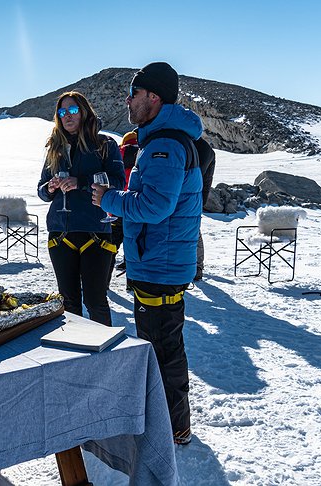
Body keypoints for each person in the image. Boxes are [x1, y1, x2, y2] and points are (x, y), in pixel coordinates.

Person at [92, 62, 203, 445]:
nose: (128, 100)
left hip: (160, 264)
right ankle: (171, 424)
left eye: (134, 94)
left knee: (161, 349)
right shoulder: (161, 140)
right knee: (162, 345)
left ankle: (171, 428)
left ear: (153, 97)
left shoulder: (166, 145)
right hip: (159, 260)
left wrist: (110, 198)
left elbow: (155, 206)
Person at [37, 91, 125, 326]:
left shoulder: (105, 144)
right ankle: (74, 357)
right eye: (62, 112)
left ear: (84, 112)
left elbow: (118, 182)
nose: (67, 116)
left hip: (95, 231)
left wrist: (82, 182)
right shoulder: (54, 149)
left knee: (96, 301)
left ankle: (105, 359)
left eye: (73, 110)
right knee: (68, 302)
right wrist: (51, 187)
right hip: (60, 233)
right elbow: (41, 191)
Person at [107, 130, 138, 285]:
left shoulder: (117, 153)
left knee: (111, 245)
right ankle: (132, 283)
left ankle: (104, 280)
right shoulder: (141, 154)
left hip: (116, 206)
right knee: (133, 244)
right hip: (133, 207)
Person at [195, 138, 216, 281]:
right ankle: (197, 267)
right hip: (196, 198)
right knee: (194, 231)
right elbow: (207, 180)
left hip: (187, 198)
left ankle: (196, 266)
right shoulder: (205, 147)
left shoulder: (186, 143)